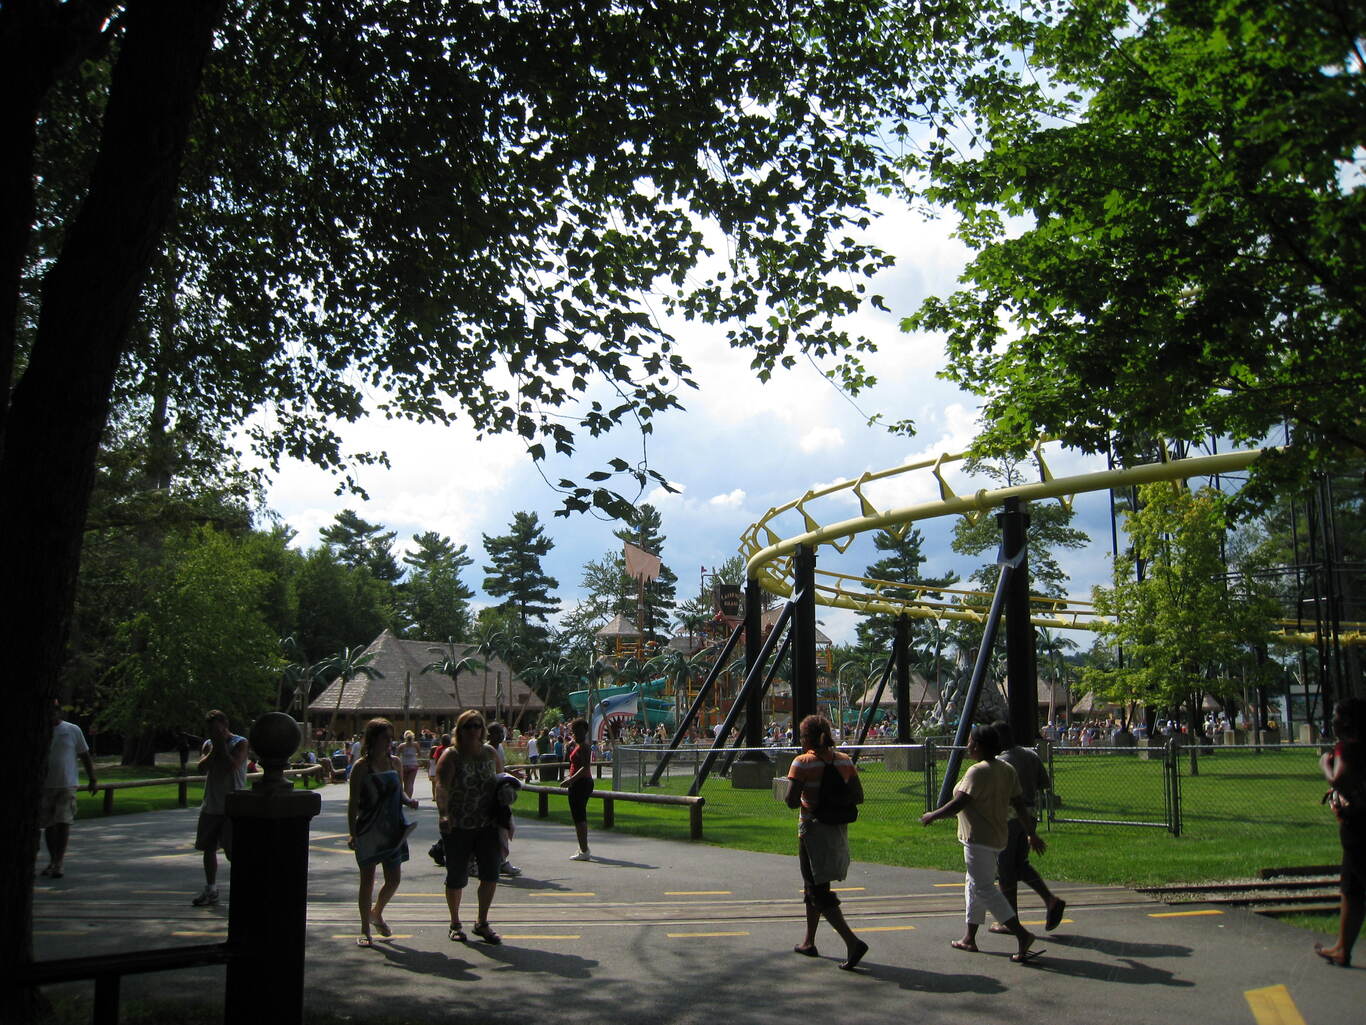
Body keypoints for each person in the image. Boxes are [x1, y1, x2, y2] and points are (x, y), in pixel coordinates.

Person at [921, 723, 1041, 963]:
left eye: (969, 741)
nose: (967, 746)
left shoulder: (977, 771)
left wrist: (933, 815)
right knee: (973, 885)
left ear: (977, 745)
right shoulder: (1006, 769)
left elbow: (959, 802)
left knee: (984, 887)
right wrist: (1031, 833)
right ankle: (969, 937)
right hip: (997, 836)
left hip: (978, 839)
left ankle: (1022, 934)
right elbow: (1019, 804)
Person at [785, 713, 869, 970]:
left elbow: (791, 801)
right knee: (813, 885)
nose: (800, 741)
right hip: (836, 829)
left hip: (811, 830)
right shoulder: (843, 760)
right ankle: (809, 941)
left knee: (817, 890)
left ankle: (852, 942)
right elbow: (858, 795)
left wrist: (806, 796)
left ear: (807, 738)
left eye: (801, 736)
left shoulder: (802, 762)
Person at [349, 717, 420, 946]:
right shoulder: (361, 767)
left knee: (394, 879)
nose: (389, 742)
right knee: (367, 881)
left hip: (393, 828)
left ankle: (376, 912)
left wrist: (409, 801)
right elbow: (353, 802)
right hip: (369, 828)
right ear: (373, 739)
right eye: (385, 737)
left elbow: (400, 792)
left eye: (391, 737)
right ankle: (364, 929)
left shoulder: (395, 763)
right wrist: (352, 832)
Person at [989, 720, 1065, 933]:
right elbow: (1044, 783)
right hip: (1030, 816)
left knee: (1005, 870)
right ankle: (1050, 899)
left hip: (1009, 817)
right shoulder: (1031, 756)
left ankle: (1009, 920)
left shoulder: (1001, 762)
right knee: (1020, 864)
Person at [436, 710, 503, 944]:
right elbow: (442, 786)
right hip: (459, 824)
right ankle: (455, 923)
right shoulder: (451, 755)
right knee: (456, 875)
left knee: (490, 873)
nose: (473, 730)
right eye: (468, 726)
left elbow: (501, 783)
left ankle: (482, 922)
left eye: (477, 725)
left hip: (488, 824)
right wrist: (443, 814)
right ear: (460, 729)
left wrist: (506, 817)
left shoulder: (490, 753)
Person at [1316, 697, 1366, 967]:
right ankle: (1342, 948)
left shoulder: (1348, 748)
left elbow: (1340, 779)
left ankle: (1343, 948)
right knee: (1350, 889)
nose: (1333, 721)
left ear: (1347, 721)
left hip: (1358, 827)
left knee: (1355, 886)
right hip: (1354, 822)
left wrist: (1325, 764)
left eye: (1336, 717)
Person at [192, 710, 249, 907]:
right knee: (208, 848)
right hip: (211, 804)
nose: (213, 733)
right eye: (210, 730)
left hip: (232, 806)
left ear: (225, 725)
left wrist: (221, 746)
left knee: (233, 851)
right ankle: (211, 888)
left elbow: (231, 766)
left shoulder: (240, 743)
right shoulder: (208, 744)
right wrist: (214, 748)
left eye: (216, 729)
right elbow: (201, 768)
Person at [37, 700, 98, 879]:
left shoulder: (72, 730)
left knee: (63, 822)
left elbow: (84, 755)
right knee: (49, 825)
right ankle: (52, 860)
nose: (52, 714)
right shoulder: (40, 731)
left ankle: (59, 862)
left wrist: (92, 778)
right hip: (46, 785)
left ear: (59, 711)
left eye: (54, 710)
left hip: (67, 784)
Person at [487, 723, 521, 877]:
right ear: (489, 734)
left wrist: (511, 773)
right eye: (497, 733)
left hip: (501, 794)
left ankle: (501, 861)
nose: (501, 735)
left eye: (502, 732)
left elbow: (500, 768)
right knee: (496, 829)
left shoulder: (499, 748)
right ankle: (490, 862)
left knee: (504, 827)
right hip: (490, 795)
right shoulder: (487, 750)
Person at [562, 718, 594, 861]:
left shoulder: (584, 747)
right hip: (579, 782)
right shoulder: (578, 745)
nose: (576, 733)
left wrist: (571, 780)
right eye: (574, 731)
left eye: (579, 731)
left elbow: (585, 767)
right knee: (578, 816)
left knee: (579, 817)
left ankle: (584, 850)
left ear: (585, 731)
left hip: (581, 782)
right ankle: (583, 847)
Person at [397, 729, 421, 798]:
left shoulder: (401, 746)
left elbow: (397, 755)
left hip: (404, 765)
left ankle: (405, 798)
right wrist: (414, 755)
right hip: (413, 765)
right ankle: (409, 797)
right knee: (410, 783)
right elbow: (419, 754)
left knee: (405, 783)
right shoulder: (416, 744)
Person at [428, 732, 449, 802]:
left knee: (439, 784)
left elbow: (436, 759)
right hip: (449, 769)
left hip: (441, 768)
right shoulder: (451, 748)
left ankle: (438, 797)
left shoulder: (439, 749)